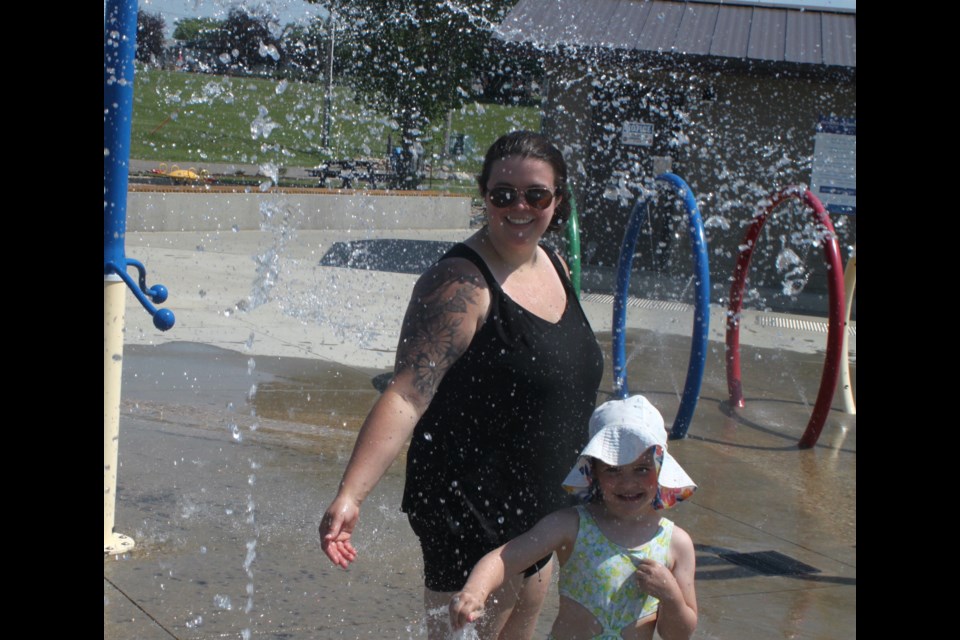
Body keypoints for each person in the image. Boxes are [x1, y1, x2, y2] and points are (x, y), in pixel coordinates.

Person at [319, 131, 604, 639]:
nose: (519, 206)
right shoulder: (459, 282)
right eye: (502, 194)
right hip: (470, 498)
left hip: (537, 501)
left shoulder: (555, 265)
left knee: (523, 618)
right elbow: (408, 392)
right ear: (484, 196)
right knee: (468, 632)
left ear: (557, 202)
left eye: (536, 195)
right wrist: (351, 495)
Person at [449, 395, 698, 640]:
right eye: (613, 469)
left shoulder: (676, 544)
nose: (628, 482)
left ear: (660, 469)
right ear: (594, 472)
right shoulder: (574, 525)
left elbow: (677, 634)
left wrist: (670, 596)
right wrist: (475, 591)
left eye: (642, 469)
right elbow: (506, 557)